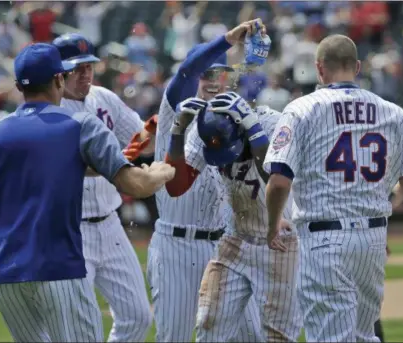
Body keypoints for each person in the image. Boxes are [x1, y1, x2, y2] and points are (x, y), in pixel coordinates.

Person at [0, 43, 175, 343]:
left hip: (5, 274)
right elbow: (135, 184)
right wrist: (165, 170)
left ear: (18, 86)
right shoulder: (78, 125)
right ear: (59, 79)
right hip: (59, 266)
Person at [263, 34, 403, 342]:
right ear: (358, 67)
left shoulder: (301, 109)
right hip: (373, 240)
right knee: (365, 336)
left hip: (324, 238)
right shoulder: (391, 112)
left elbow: (279, 181)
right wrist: (392, 196)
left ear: (319, 69)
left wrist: (271, 226)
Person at [148, 20, 267, 342]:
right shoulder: (177, 109)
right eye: (207, 74)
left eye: (220, 75)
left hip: (225, 244)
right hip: (177, 244)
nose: (213, 81)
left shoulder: (230, 117)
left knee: (252, 335)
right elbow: (187, 71)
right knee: (175, 337)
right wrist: (229, 40)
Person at [164, 91, 302, 342]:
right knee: (208, 325)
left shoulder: (274, 123)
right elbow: (175, 186)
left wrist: (254, 131)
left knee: (279, 336)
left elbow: (275, 179)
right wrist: (177, 131)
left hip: (279, 241)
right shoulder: (204, 129)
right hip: (234, 238)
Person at [52, 33, 156, 342]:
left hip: (111, 225)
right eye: (77, 67)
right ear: (59, 71)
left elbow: (140, 138)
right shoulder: (52, 109)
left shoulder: (103, 97)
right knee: (82, 330)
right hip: (71, 229)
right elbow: (71, 166)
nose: (85, 74)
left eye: (89, 66)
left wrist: (156, 127)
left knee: (138, 317)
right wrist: (116, 163)